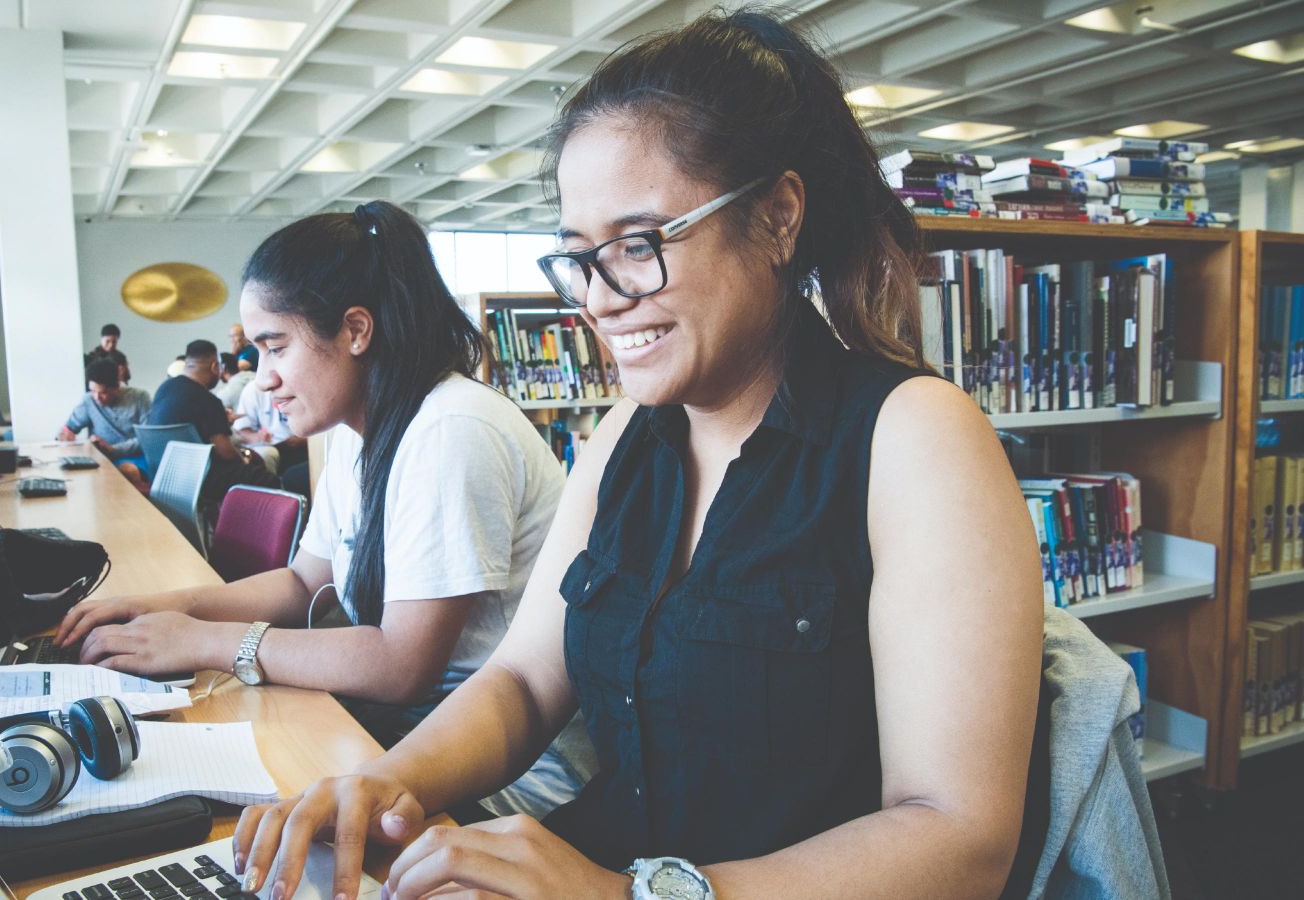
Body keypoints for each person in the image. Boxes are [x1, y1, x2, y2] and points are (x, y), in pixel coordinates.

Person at [230, 10, 1044, 900]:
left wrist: (633, 895)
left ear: (777, 217)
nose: (601, 299)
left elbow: (960, 837)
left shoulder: (916, 436)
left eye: (639, 243)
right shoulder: (624, 435)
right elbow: (527, 681)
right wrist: (387, 783)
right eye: (581, 257)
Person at [55, 200, 589, 821]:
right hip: (417, 729)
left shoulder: (450, 428)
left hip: (506, 780)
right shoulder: (361, 434)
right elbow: (306, 580)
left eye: (275, 347)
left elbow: (400, 665)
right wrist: (165, 608)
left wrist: (206, 641)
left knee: (219, 812)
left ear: (356, 330)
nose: (261, 380)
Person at [145, 340, 268, 494]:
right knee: (263, 476)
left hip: (163, 476)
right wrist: (244, 460)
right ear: (215, 367)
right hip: (200, 480)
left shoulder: (164, 388)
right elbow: (226, 452)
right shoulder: (208, 400)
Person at [58, 358, 152, 485]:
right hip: (102, 459)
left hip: (135, 458)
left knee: (128, 471)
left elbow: (147, 439)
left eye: (103, 392)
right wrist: (65, 434)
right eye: (93, 391)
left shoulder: (140, 398)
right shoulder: (88, 400)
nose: (97, 398)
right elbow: (69, 428)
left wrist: (113, 450)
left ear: (117, 387)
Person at [231, 378, 305, 475]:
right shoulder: (253, 389)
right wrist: (258, 437)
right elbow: (242, 432)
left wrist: (305, 440)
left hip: (301, 445)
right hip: (270, 445)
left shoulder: (303, 385)